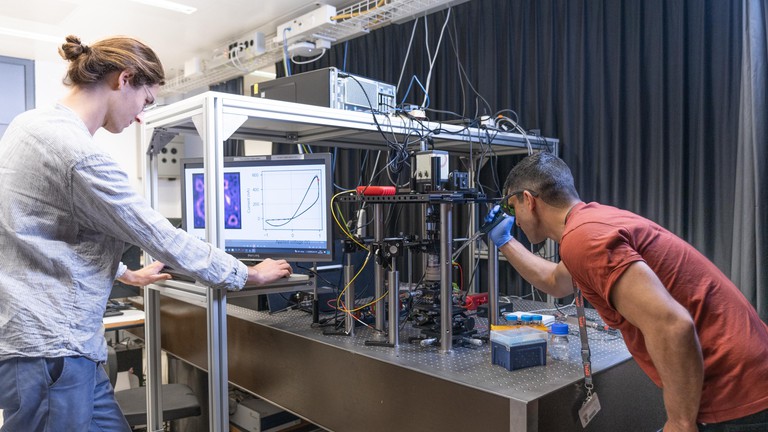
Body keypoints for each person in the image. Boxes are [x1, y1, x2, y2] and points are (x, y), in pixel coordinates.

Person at [0, 35, 293, 431]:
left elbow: (43, 230)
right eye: (147, 101)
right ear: (125, 79)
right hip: (53, 352)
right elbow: (160, 235)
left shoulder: (28, 124)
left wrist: (125, 274)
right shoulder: (79, 155)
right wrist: (249, 273)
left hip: (57, 346)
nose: (141, 116)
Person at [487, 152, 768, 432]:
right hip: (746, 375)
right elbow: (555, 280)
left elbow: (673, 326)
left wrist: (680, 424)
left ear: (529, 200)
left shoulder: (583, 239)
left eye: (512, 208)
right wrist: (505, 241)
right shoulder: (590, 223)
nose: (516, 220)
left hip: (737, 394)